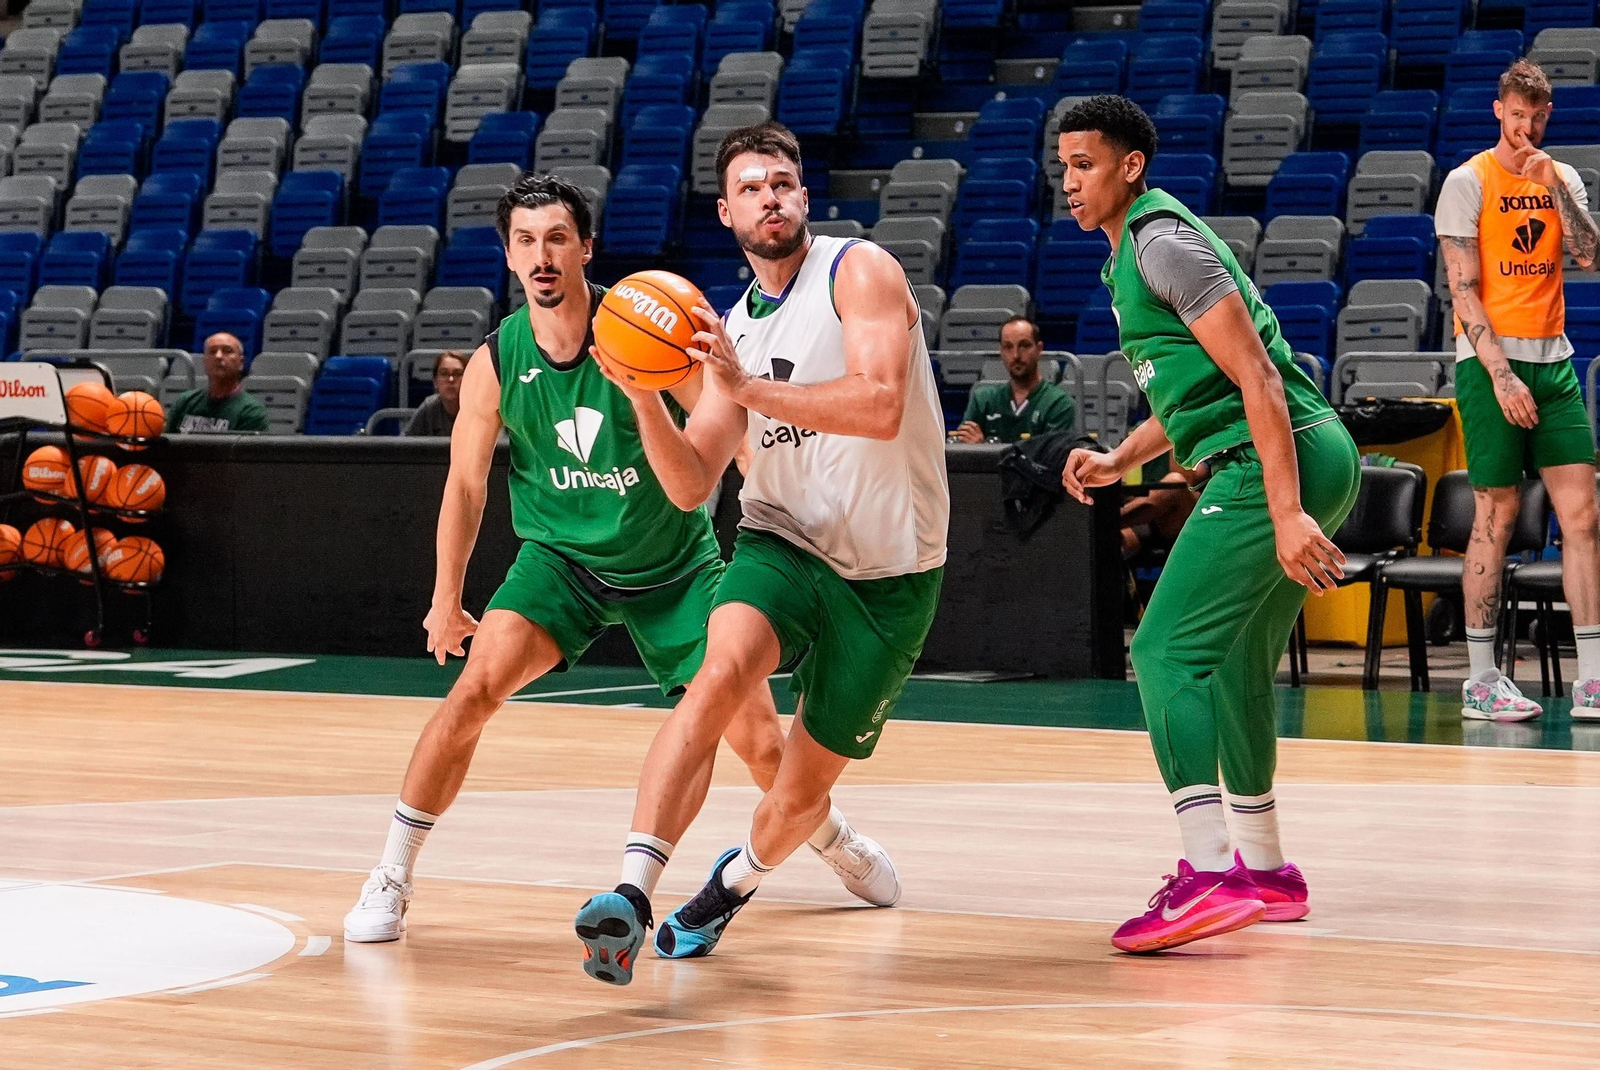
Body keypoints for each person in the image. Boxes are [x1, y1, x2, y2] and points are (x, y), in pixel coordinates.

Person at [342, 173, 890, 947]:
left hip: (675, 567)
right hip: (561, 563)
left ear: (586, 248)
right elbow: (465, 486)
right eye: (526, 241)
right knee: (474, 690)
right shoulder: (499, 359)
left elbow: (726, 421)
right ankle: (391, 874)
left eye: (557, 238)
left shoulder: (646, 325)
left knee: (764, 746)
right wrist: (446, 595)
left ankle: (833, 839)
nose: (542, 255)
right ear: (508, 254)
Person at [573, 121, 948, 983]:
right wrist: (642, 402)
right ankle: (629, 893)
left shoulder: (859, 271)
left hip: (893, 570)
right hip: (782, 541)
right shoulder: (729, 328)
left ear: (805, 199)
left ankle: (729, 886)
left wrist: (743, 387)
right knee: (718, 675)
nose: (769, 196)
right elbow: (690, 483)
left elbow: (881, 403)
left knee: (799, 792)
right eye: (751, 186)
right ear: (726, 211)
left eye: (783, 182)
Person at [1056, 96, 1360, 953]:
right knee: (1233, 667)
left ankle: (1206, 874)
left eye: (1086, 164)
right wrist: (1121, 458)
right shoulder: (1133, 252)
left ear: (1131, 166)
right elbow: (1201, 392)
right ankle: (1265, 870)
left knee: (1161, 652)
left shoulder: (1162, 244)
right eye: (1064, 167)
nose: (1070, 182)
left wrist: (1286, 509)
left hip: (1282, 460)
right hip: (1301, 456)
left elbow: (1261, 376)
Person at [1435, 58, 1600, 723]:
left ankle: (1592, 679)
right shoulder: (1465, 182)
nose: (1524, 126)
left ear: (1545, 117)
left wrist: (1555, 190)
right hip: (1488, 364)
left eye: (1536, 116)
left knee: (1585, 517)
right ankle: (1480, 680)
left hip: (1554, 364)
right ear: (1498, 111)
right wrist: (1500, 375)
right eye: (1515, 114)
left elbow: (1588, 255)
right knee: (1496, 515)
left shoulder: (1561, 176)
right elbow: (1463, 287)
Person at [953, 316, 1076, 443]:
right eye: (1008, 347)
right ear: (1001, 351)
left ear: (1039, 349)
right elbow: (962, 450)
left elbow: (1051, 459)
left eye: (1024, 346)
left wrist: (982, 448)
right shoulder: (983, 400)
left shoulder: (1059, 404)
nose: (1016, 355)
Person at [164, 332, 268, 434]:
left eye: (227, 351)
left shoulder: (251, 412)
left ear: (241, 363)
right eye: (212, 351)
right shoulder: (184, 402)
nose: (218, 356)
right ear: (205, 362)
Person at [403, 350, 467, 436]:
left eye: (457, 374)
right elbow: (404, 443)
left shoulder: (479, 408)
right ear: (435, 381)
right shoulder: (429, 407)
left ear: (468, 379)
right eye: (444, 373)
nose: (451, 379)